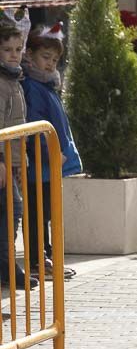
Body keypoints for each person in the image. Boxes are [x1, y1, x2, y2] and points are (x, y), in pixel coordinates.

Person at [21, 25, 82, 282]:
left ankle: (45, 256)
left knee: (46, 213)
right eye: (45, 57)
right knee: (37, 213)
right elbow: (36, 125)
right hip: (39, 166)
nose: (50, 64)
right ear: (31, 55)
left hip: (48, 165)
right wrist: (50, 153)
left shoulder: (46, 85)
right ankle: (37, 260)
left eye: (54, 59)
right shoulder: (34, 86)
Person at [0, 17, 33, 288]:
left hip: (13, 159)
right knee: (12, 209)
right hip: (2, 161)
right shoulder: (1, 83)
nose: (14, 54)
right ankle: (7, 266)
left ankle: (7, 265)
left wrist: (22, 159)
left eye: (18, 49)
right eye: (8, 49)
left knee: (10, 211)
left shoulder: (15, 80)